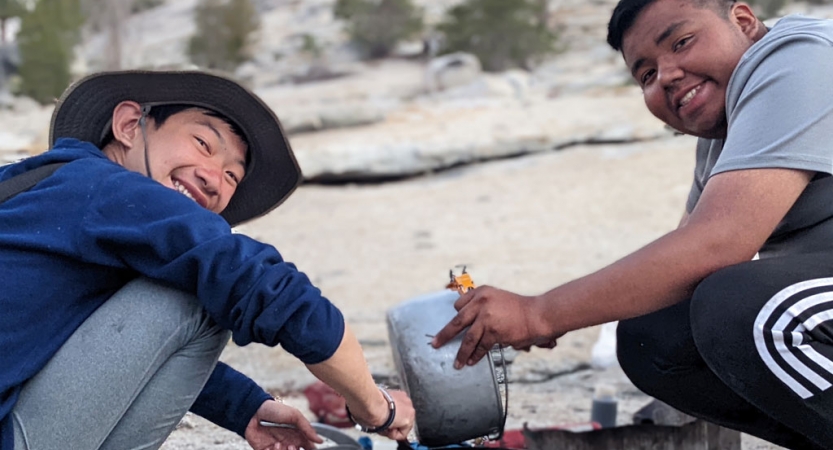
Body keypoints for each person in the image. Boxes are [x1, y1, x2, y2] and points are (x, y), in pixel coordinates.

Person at [432, 1, 833, 448]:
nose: (667, 75)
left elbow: (718, 245)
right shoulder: (726, 135)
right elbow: (685, 256)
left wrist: (538, 313)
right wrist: (545, 316)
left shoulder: (802, 58)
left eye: (682, 42)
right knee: (654, 337)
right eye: (646, 75)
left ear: (742, 20)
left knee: (744, 308)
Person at [0, 70, 414, 450]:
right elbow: (262, 285)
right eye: (203, 143)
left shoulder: (43, 183)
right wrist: (375, 406)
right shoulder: (105, 188)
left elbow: (91, 344)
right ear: (129, 125)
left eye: (233, 175)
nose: (213, 178)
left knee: (190, 275)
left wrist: (244, 406)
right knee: (205, 284)